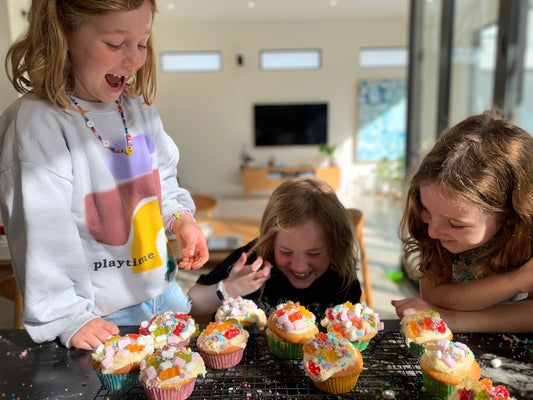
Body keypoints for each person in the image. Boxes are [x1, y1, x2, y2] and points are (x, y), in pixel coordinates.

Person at [0, 0, 209, 350]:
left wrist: (181, 219)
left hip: (163, 296)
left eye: (142, 43)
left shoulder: (139, 111)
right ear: (63, 37)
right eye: (115, 44)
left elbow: (162, 183)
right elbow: (42, 234)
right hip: (97, 319)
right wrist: (68, 316)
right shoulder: (39, 123)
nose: (134, 59)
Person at [391, 110, 533, 332]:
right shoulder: (435, 229)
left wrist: (453, 320)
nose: (433, 232)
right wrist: (515, 282)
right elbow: (435, 295)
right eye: (426, 210)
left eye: (456, 224)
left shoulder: (527, 235)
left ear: (509, 216)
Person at [187, 177, 362, 319]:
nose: (299, 266)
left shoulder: (341, 278)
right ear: (270, 240)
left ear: (335, 245)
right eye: (285, 251)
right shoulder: (251, 260)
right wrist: (228, 289)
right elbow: (191, 303)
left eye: (313, 253)